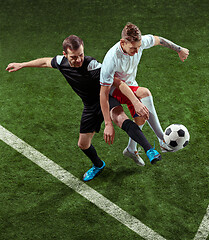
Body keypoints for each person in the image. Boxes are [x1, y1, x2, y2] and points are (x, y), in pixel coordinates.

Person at [6, 35, 161, 182]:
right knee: (83, 144)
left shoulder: (92, 65)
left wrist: (133, 103)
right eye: (74, 57)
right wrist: (22, 64)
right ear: (65, 55)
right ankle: (98, 164)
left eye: (81, 54)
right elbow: (45, 62)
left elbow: (118, 82)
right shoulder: (61, 62)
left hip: (106, 99)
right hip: (90, 106)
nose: (79, 59)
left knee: (121, 118)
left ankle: (149, 150)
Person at [100, 22, 189, 164]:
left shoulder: (139, 44)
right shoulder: (111, 59)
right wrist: (108, 123)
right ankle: (162, 139)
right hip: (114, 90)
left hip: (130, 85)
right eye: (133, 48)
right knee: (145, 93)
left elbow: (158, 40)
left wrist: (179, 49)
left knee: (141, 116)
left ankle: (131, 148)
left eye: (139, 47)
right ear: (123, 43)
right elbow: (103, 94)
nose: (137, 51)